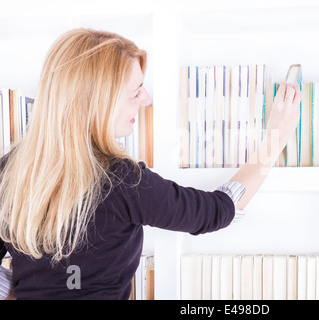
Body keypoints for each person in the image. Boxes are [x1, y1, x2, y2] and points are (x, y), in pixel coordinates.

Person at [0, 28, 301, 299]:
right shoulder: (121, 181)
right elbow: (219, 211)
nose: (145, 100)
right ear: (100, 105)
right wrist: (275, 139)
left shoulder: (9, 172)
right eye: (135, 92)